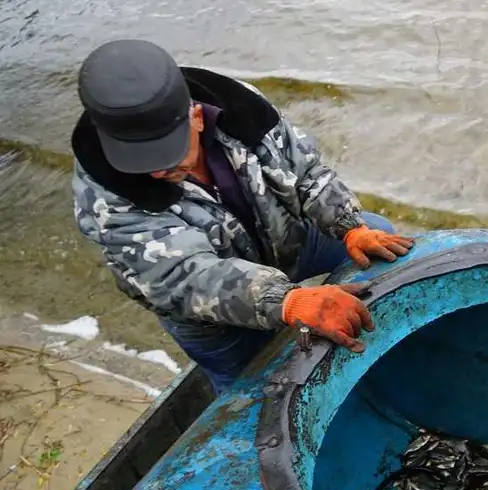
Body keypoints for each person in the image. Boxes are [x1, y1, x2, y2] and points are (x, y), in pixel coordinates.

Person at [70, 39, 415, 393]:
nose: (157, 170)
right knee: (251, 394)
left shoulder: (242, 107)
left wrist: (347, 224)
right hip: (211, 310)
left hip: (287, 240)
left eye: (168, 153)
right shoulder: (104, 197)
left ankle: (390, 342)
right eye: (142, 160)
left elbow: (304, 169)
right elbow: (183, 276)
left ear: (197, 116)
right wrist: (286, 300)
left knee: (375, 232)